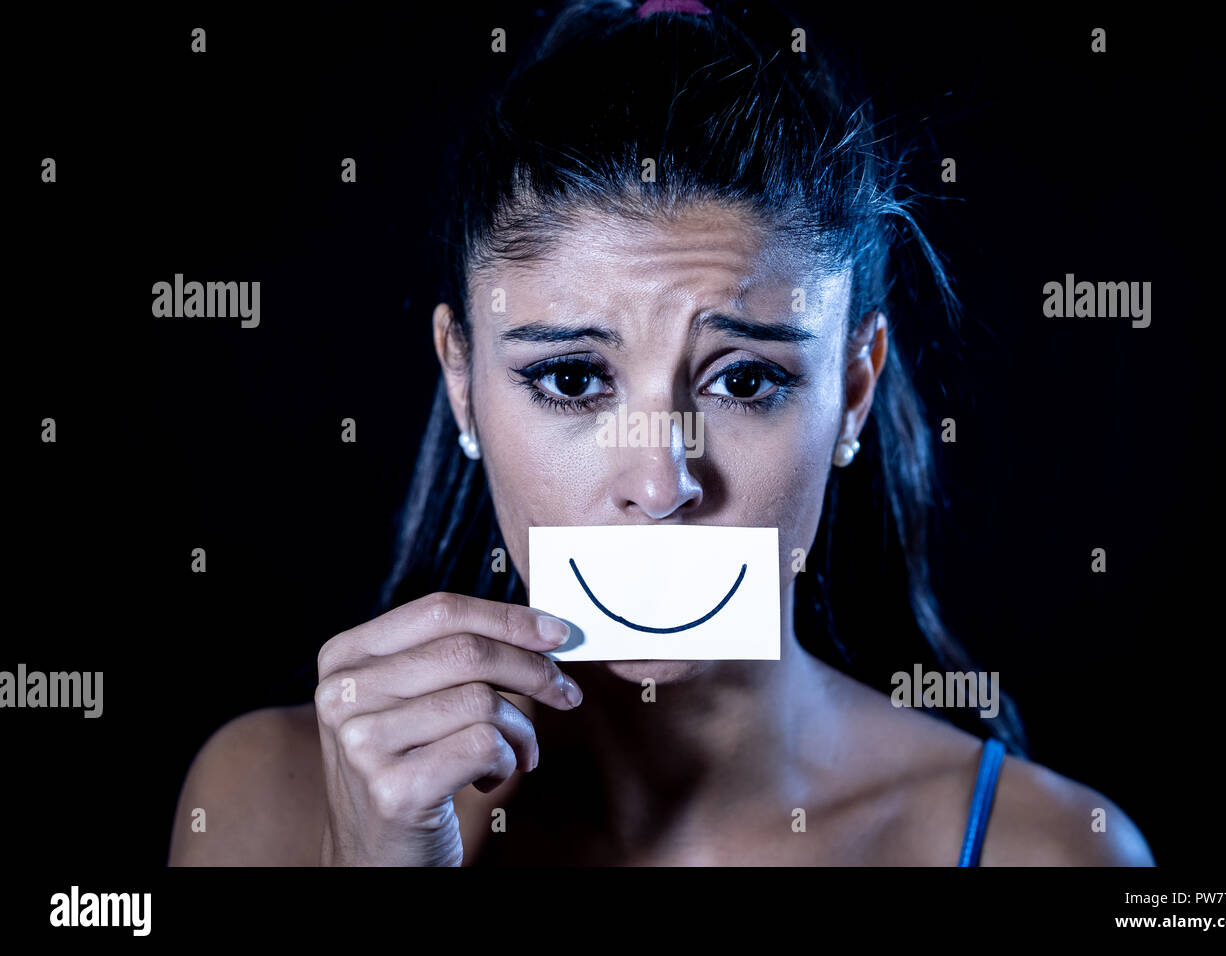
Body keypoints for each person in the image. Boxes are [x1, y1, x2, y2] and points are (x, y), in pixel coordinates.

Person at [169, 0, 1154, 866]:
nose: (659, 480)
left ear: (853, 392)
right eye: (570, 377)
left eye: (745, 379)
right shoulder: (263, 802)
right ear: (463, 386)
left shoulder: (1052, 851)